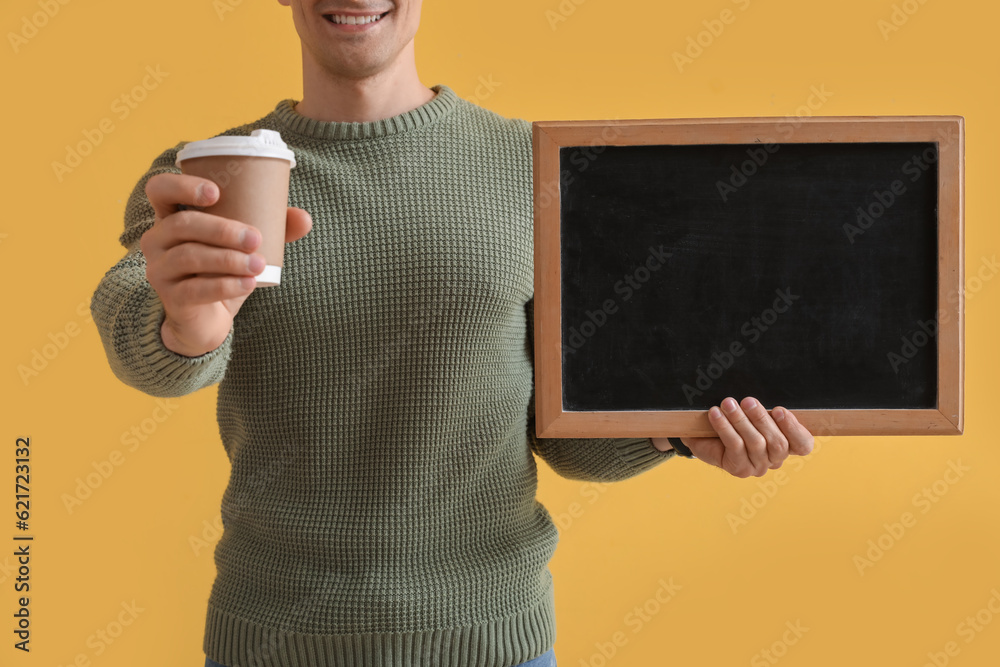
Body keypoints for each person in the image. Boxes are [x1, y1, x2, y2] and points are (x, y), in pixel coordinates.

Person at [89, 1, 815, 666]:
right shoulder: (208, 175)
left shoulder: (535, 166)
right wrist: (186, 321)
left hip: (496, 641)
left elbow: (568, 432)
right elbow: (141, 340)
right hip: (272, 640)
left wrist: (682, 427)